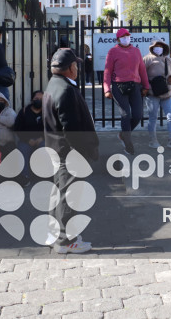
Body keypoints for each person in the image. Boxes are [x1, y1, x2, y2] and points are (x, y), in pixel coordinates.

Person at [43, 48, 99, 254]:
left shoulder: (54, 85)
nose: (78, 67)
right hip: (69, 153)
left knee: (58, 192)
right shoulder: (65, 89)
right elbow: (72, 129)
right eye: (75, 64)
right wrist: (83, 153)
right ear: (69, 68)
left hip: (57, 149)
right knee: (69, 195)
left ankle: (54, 233)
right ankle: (67, 241)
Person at [103, 28, 150, 155]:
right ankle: (128, 144)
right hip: (119, 86)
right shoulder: (113, 51)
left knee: (138, 115)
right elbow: (107, 71)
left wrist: (146, 86)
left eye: (128, 36)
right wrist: (107, 89)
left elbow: (142, 70)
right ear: (118, 39)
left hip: (135, 86)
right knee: (125, 114)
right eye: (123, 37)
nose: (126, 39)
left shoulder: (136, 51)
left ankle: (123, 134)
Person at [142, 38, 171, 149]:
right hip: (152, 93)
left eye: (161, 46)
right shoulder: (147, 59)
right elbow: (141, 74)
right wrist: (145, 87)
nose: (159, 48)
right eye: (157, 46)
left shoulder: (168, 60)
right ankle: (153, 141)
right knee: (153, 117)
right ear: (152, 48)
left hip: (166, 92)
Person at [12, 90, 45, 186]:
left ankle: (46, 175)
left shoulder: (47, 112)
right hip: (26, 140)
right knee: (22, 150)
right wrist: (27, 140)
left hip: (42, 139)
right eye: (36, 99)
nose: (39, 101)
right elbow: (17, 128)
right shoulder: (24, 111)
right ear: (32, 100)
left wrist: (42, 138)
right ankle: (24, 176)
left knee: (45, 148)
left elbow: (51, 128)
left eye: (41, 99)